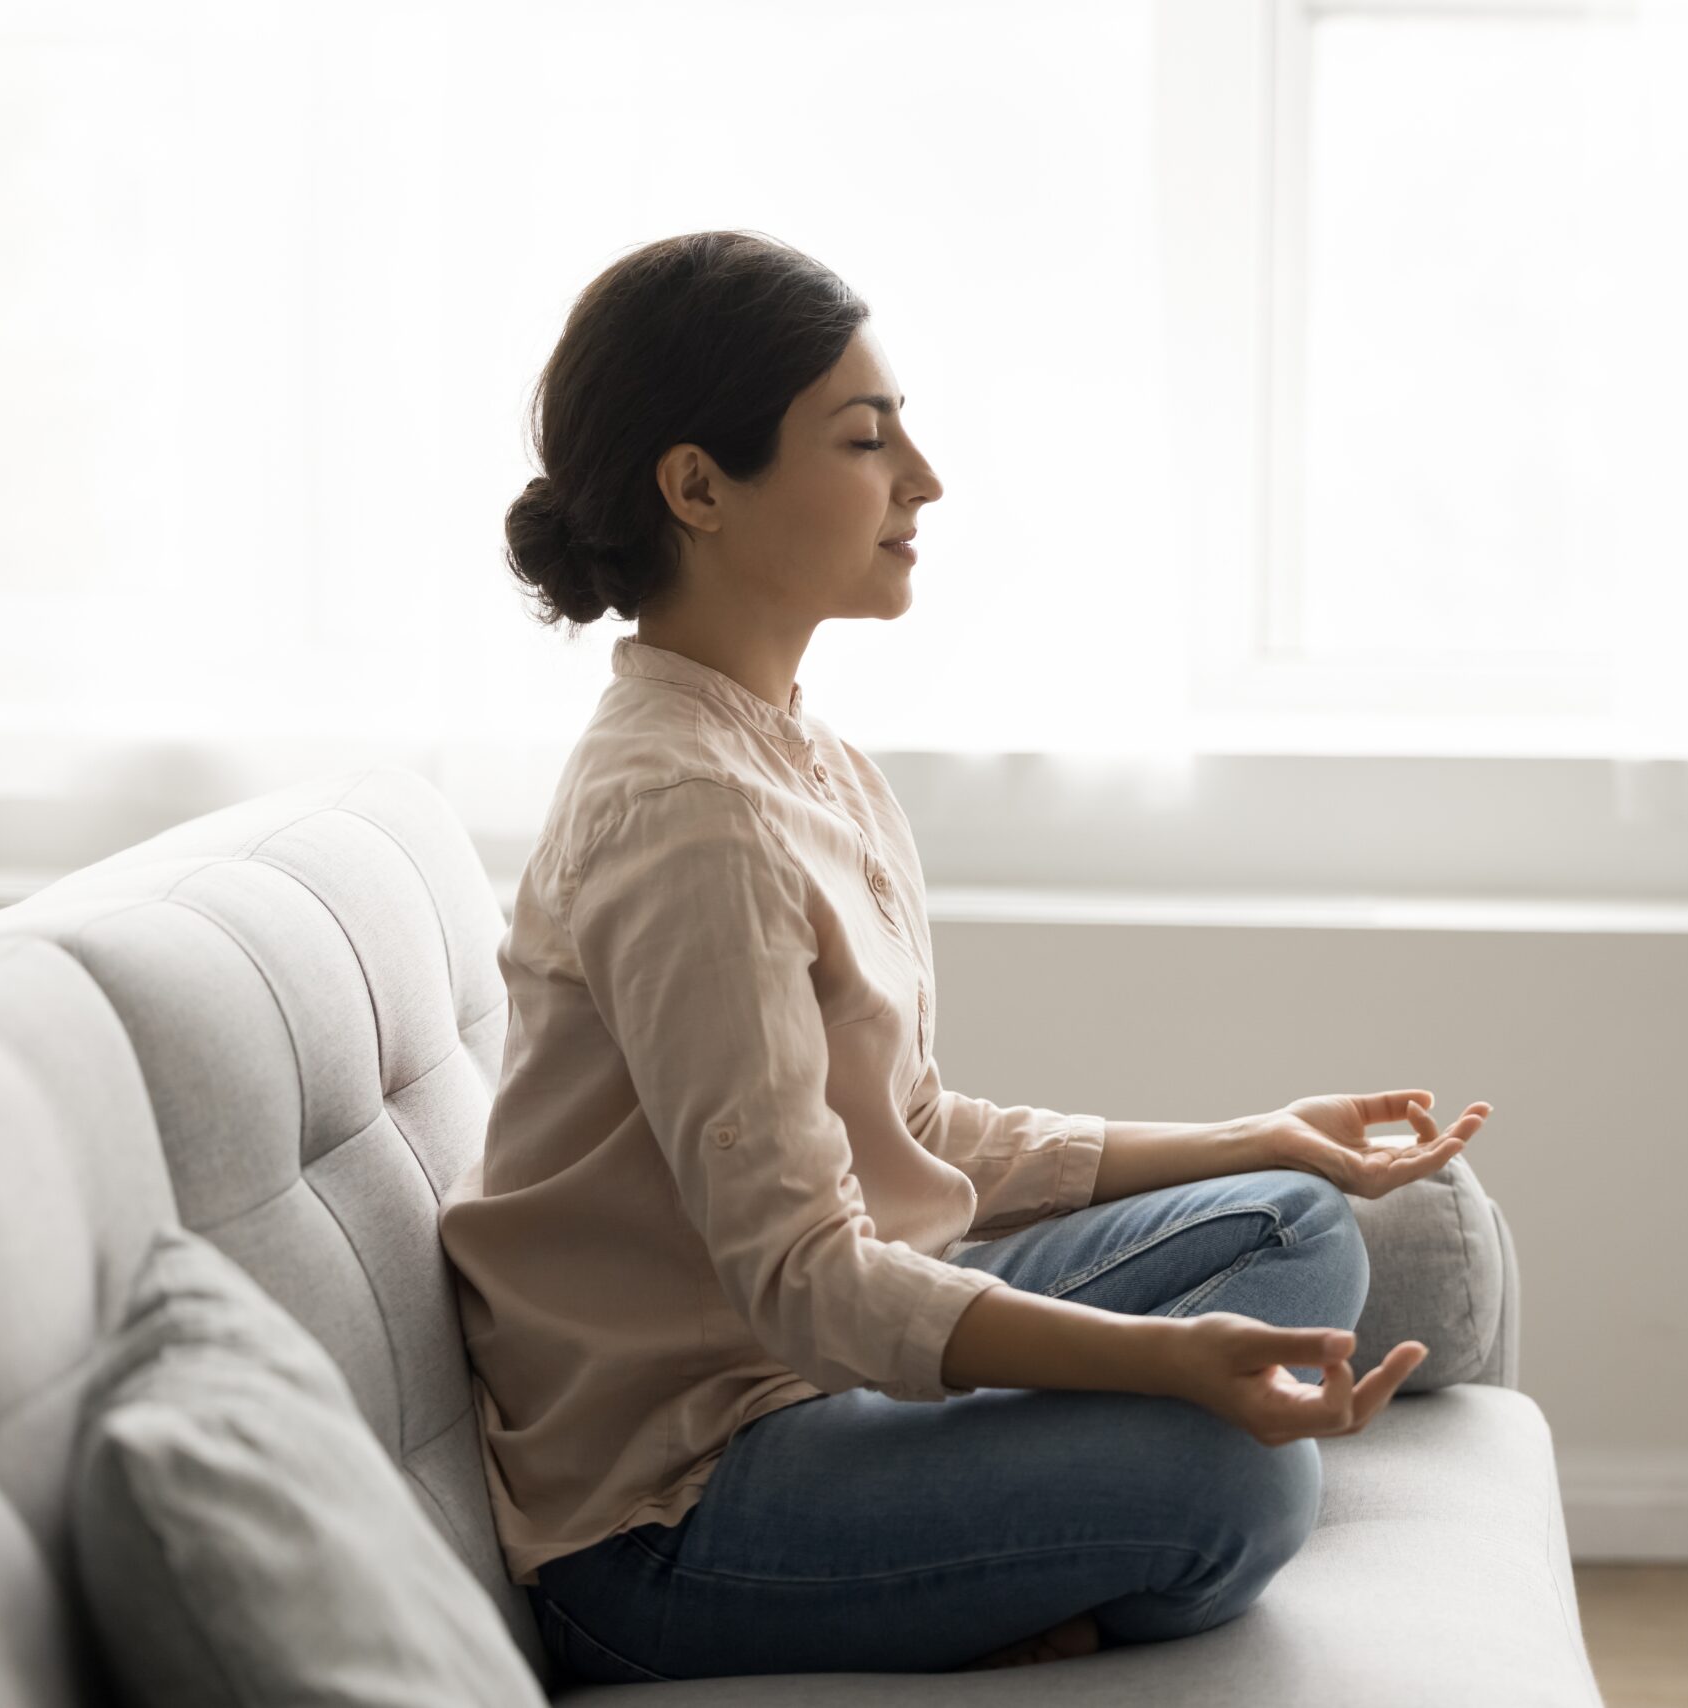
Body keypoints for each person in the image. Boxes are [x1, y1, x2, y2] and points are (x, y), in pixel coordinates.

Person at [437, 229, 1493, 1686]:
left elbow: (916, 1133)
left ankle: (990, 1544)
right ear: (698, 488)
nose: (921, 481)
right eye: (866, 439)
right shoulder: (686, 821)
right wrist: (1157, 1368)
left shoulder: (800, 754)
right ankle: (984, 1575)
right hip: (675, 1507)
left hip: (824, 1369)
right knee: (1234, 1489)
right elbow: (807, 1277)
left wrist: (1248, 1136)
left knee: (1295, 1222)